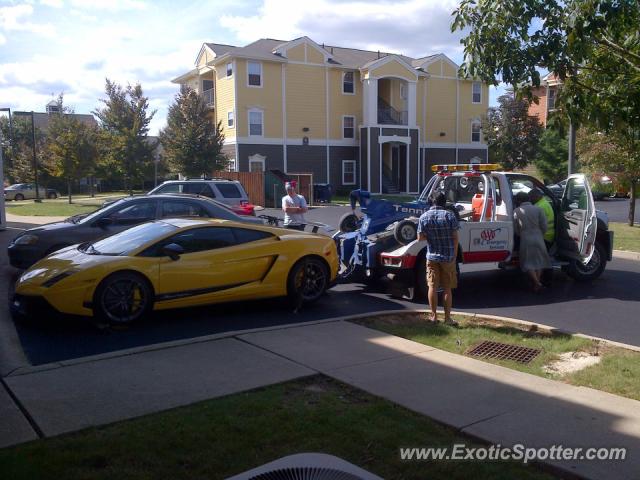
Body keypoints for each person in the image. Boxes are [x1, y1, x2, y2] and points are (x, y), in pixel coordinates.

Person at [417, 191, 460, 324]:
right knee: (447, 288)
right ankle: (447, 319)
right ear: (443, 202)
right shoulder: (450, 216)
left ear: (431, 202)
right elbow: (455, 238)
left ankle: (434, 316)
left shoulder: (423, 217)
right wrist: (454, 255)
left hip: (432, 256)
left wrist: (431, 236)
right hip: (448, 257)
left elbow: (420, 238)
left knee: (432, 286)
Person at [513, 191, 552, 292]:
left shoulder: (516, 211)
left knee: (528, 263)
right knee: (540, 261)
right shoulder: (538, 209)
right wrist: (540, 233)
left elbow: (516, 229)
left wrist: (521, 234)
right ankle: (537, 284)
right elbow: (544, 226)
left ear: (519, 200)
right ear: (528, 199)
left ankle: (537, 283)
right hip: (538, 237)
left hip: (525, 238)